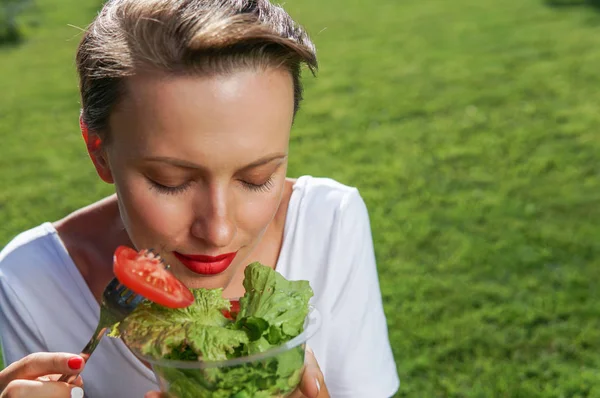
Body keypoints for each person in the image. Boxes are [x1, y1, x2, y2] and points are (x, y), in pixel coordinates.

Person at [0, 0, 400, 397]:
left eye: (256, 178)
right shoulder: (31, 281)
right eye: (170, 181)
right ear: (98, 150)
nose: (218, 230)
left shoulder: (329, 222)